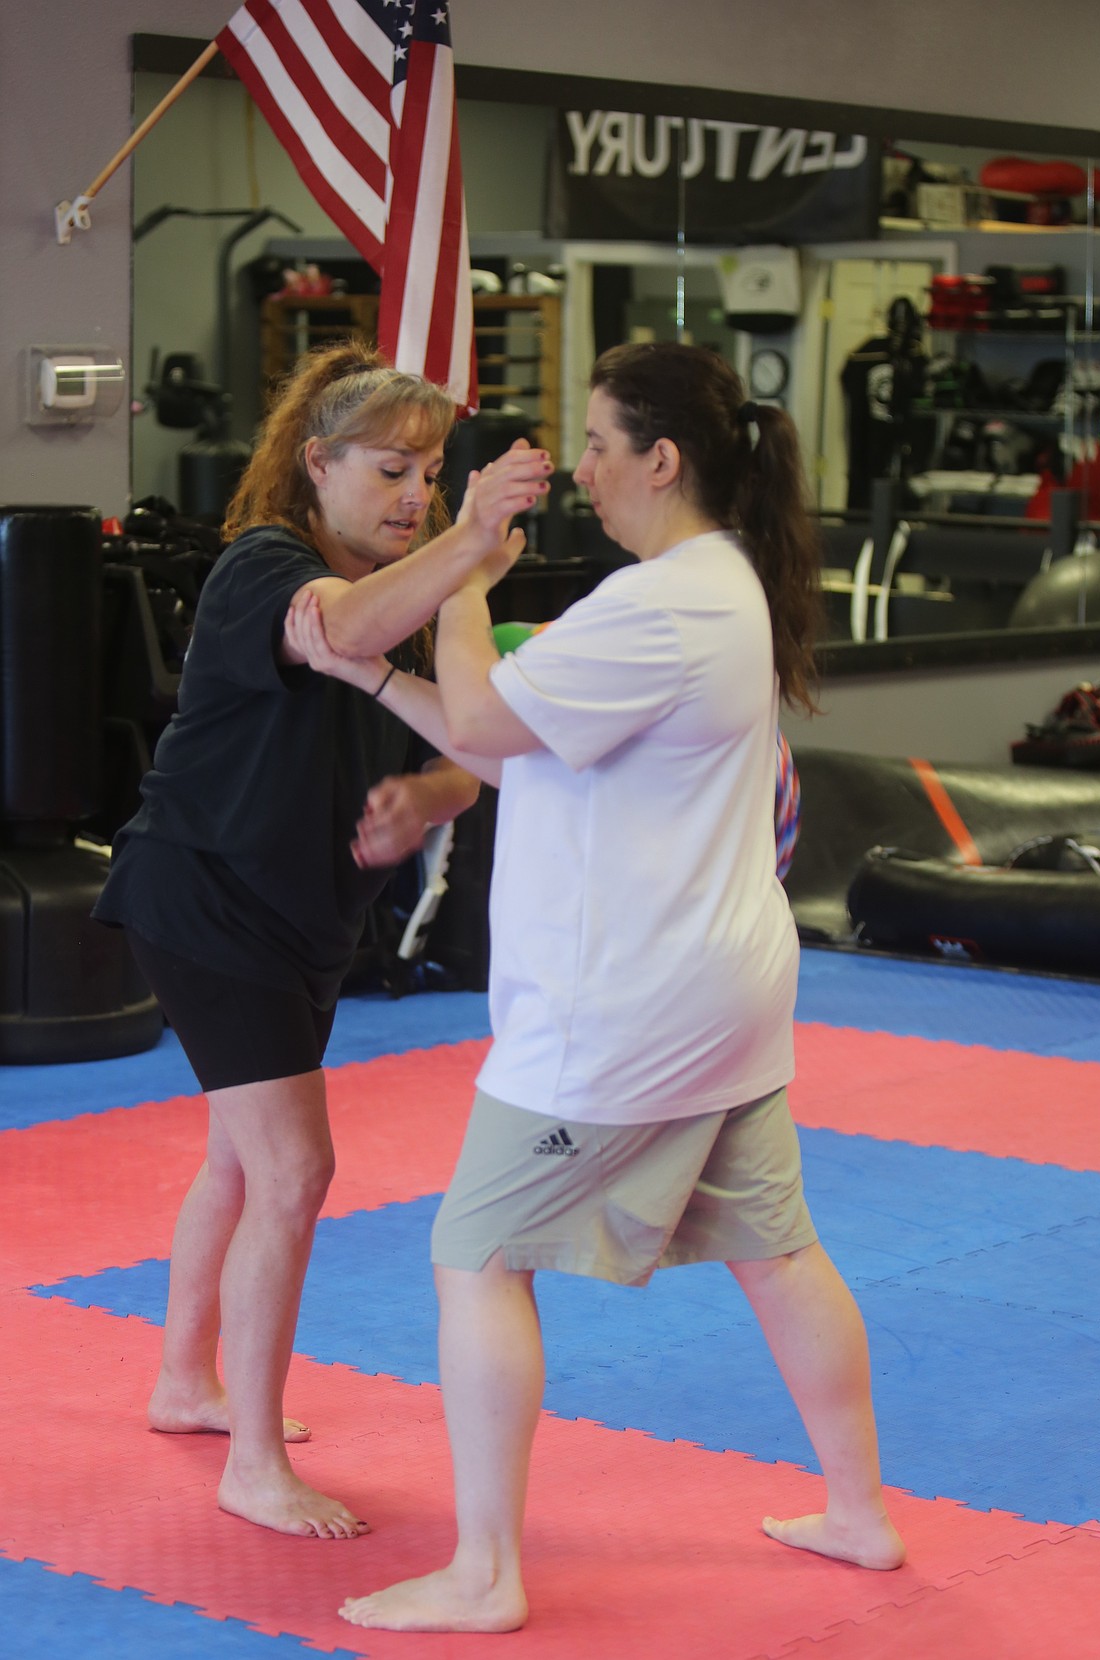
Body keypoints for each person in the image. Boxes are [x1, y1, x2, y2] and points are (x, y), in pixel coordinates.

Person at [297, 339, 906, 1630]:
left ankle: (485, 1574)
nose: (576, 468)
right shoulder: (717, 586)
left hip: (624, 1013)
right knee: (775, 1249)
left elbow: (482, 720)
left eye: (592, 443)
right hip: (722, 996)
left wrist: (464, 559)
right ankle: (856, 1512)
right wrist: (368, 672)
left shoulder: (663, 603)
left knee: (474, 1255)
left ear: (659, 460)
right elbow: (534, 758)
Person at [92, 340, 552, 1540]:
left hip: (305, 916)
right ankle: (252, 1457)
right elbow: (335, 627)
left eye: (433, 471)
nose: (415, 492)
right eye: (392, 468)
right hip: (204, 898)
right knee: (297, 1169)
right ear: (318, 464)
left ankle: (186, 1381)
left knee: (242, 1161)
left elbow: (479, 747)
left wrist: (428, 796)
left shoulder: (421, 592)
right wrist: (470, 546)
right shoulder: (267, 565)